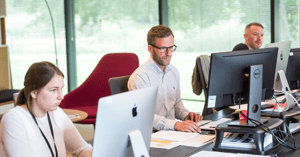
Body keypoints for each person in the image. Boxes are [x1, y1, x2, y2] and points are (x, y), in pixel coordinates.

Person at [0, 61, 92, 157]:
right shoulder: (13, 119)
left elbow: (82, 149)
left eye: (61, 89)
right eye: (53, 90)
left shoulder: (57, 113)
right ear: (34, 93)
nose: (61, 96)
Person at [128, 25, 203, 133]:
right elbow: (144, 116)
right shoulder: (140, 77)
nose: (169, 53)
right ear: (150, 48)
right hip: (152, 135)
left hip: (172, 133)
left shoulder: (173, 72)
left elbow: (176, 103)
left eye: (171, 47)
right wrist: (176, 124)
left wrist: (187, 116)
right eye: (163, 48)